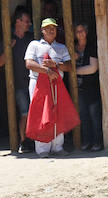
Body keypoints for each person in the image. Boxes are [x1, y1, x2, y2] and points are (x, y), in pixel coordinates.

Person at [24, 18, 73, 157]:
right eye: (47, 28)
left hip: (57, 84)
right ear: (42, 30)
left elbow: (69, 66)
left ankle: (58, 147)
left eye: (53, 28)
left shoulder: (61, 47)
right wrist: (47, 71)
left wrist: (55, 65)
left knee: (57, 113)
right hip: (37, 84)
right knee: (40, 113)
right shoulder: (34, 45)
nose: (51, 30)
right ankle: (43, 149)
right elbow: (29, 64)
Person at [73, 22, 103, 151]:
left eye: (82, 30)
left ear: (86, 31)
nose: (80, 33)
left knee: (94, 115)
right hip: (78, 88)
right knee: (83, 116)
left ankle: (97, 142)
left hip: (92, 86)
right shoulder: (72, 48)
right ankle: (86, 141)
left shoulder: (91, 46)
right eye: (77, 31)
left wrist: (74, 71)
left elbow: (93, 68)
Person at [9, 7, 33, 154]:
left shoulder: (31, 38)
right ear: (18, 21)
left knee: (34, 112)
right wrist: (9, 48)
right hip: (18, 83)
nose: (29, 24)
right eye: (26, 21)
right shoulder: (8, 38)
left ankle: (34, 140)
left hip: (33, 82)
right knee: (24, 112)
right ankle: (24, 142)